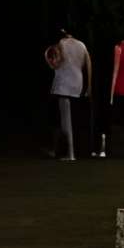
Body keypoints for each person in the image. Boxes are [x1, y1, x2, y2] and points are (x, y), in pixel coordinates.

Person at [45, 25, 91, 160]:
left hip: (63, 84)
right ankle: (68, 151)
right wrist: (89, 86)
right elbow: (87, 65)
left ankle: (70, 154)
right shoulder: (81, 45)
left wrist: (48, 60)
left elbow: (57, 64)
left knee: (65, 122)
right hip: (78, 83)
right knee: (72, 120)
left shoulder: (61, 44)